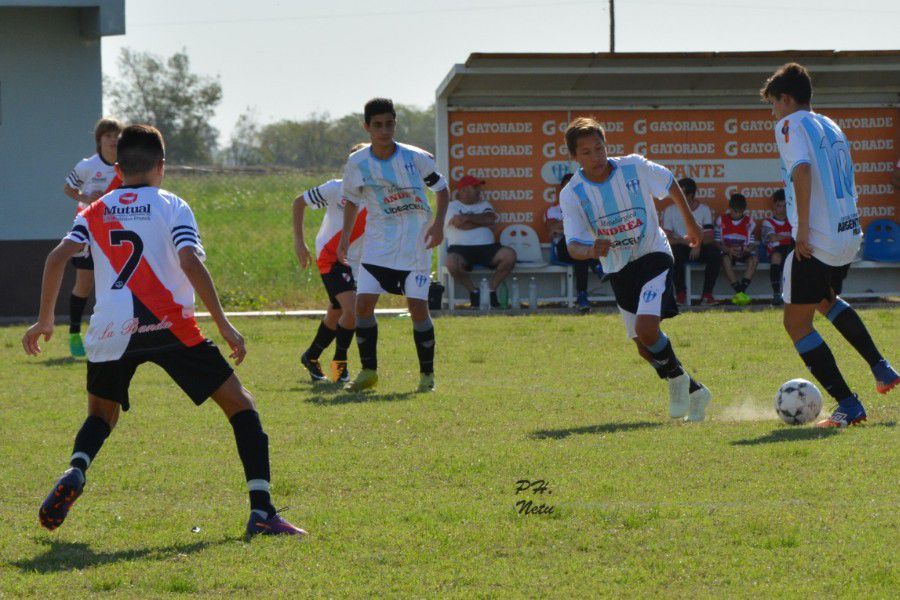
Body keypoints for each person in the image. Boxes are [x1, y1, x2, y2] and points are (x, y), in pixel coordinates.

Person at [23, 125, 305, 538]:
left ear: (118, 168)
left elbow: (57, 257)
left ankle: (76, 469)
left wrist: (45, 318)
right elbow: (190, 261)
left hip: (110, 329)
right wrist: (224, 323)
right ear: (162, 166)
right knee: (241, 406)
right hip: (169, 325)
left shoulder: (96, 210)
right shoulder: (173, 205)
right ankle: (262, 511)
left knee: (101, 416)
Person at [762, 62, 899, 427]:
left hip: (818, 238)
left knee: (797, 324)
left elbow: (802, 171)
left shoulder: (789, 124)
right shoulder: (831, 125)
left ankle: (848, 404)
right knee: (827, 301)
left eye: (773, 104)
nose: (773, 113)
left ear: (787, 99)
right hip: (846, 234)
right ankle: (881, 368)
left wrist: (802, 228)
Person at [559, 117, 712, 422]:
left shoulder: (633, 166)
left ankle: (678, 383)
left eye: (599, 148)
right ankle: (694, 390)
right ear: (574, 157)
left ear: (607, 145)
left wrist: (691, 223)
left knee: (646, 329)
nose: (595, 157)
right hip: (618, 267)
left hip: (653, 253)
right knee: (644, 347)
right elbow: (573, 245)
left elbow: (669, 181)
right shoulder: (572, 193)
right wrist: (591, 250)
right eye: (586, 152)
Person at [337, 98, 450, 392]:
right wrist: (345, 239)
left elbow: (442, 189)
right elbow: (350, 200)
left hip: (416, 244)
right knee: (363, 306)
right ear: (367, 127)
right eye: (377, 125)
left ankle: (427, 376)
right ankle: (368, 372)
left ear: (394, 124)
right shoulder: (358, 163)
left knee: (418, 310)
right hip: (377, 244)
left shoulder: (416, 158)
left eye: (389, 124)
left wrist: (438, 225)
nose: (384, 130)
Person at [293, 143, 369, 383]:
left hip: (356, 262)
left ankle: (312, 356)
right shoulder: (335, 188)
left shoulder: (378, 195)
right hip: (330, 256)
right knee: (352, 309)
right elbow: (298, 202)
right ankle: (340, 366)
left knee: (337, 312)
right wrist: (299, 242)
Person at [62, 118, 124, 356]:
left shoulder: (125, 166)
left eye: (116, 135)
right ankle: (74, 333)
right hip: (88, 231)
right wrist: (88, 199)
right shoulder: (88, 166)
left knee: (114, 284)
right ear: (99, 139)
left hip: (115, 233)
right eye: (108, 135)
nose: (113, 140)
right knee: (84, 284)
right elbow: (68, 188)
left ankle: (112, 333)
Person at [444, 175, 516, 308]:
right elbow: (460, 225)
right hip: (460, 249)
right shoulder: (451, 206)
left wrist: (466, 217)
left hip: (488, 249)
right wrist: (481, 222)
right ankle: (474, 292)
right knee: (451, 263)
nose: (479, 190)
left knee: (509, 255)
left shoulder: (485, 204)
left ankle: (491, 291)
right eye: (475, 187)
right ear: (464, 190)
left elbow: (490, 218)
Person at [661, 177, 720, 306]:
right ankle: (681, 294)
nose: (677, 197)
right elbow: (666, 239)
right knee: (673, 253)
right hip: (681, 246)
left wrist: (697, 243)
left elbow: (709, 237)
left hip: (699, 246)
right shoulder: (670, 210)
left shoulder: (704, 209)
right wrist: (683, 241)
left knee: (715, 253)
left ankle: (707, 295)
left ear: (691, 195)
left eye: (681, 194)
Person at [546, 172, 600, 313]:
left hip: (580, 250)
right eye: (566, 187)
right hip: (561, 250)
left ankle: (582, 296)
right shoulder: (553, 210)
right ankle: (597, 267)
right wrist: (574, 223)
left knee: (579, 254)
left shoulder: (586, 208)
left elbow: (594, 227)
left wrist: (564, 225)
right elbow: (552, 230)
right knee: (576, 244)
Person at [715, 193, 758, 306]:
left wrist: (747, 249)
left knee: (754, 260)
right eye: (735, 211)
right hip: (728, 253)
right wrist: (728, 250)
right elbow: (717, 242)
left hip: (743, 252)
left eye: (740, 211)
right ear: (729, 208)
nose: (737, 214)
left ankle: (740, 292)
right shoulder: (721, 220)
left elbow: (752, 243)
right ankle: (740, 292)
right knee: (725, 260)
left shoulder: (750, 222)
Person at [760, 189, 794, 305]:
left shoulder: (792, 221)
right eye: (779, 206)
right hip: (774, 252)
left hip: (790, 249)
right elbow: (772, 238)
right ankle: (776, 294)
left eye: (785, 206)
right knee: (776, 256)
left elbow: (798, 237)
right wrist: (789, 236)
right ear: (774, 206)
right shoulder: (767, 222)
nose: (782, 209)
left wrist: (781, 237)